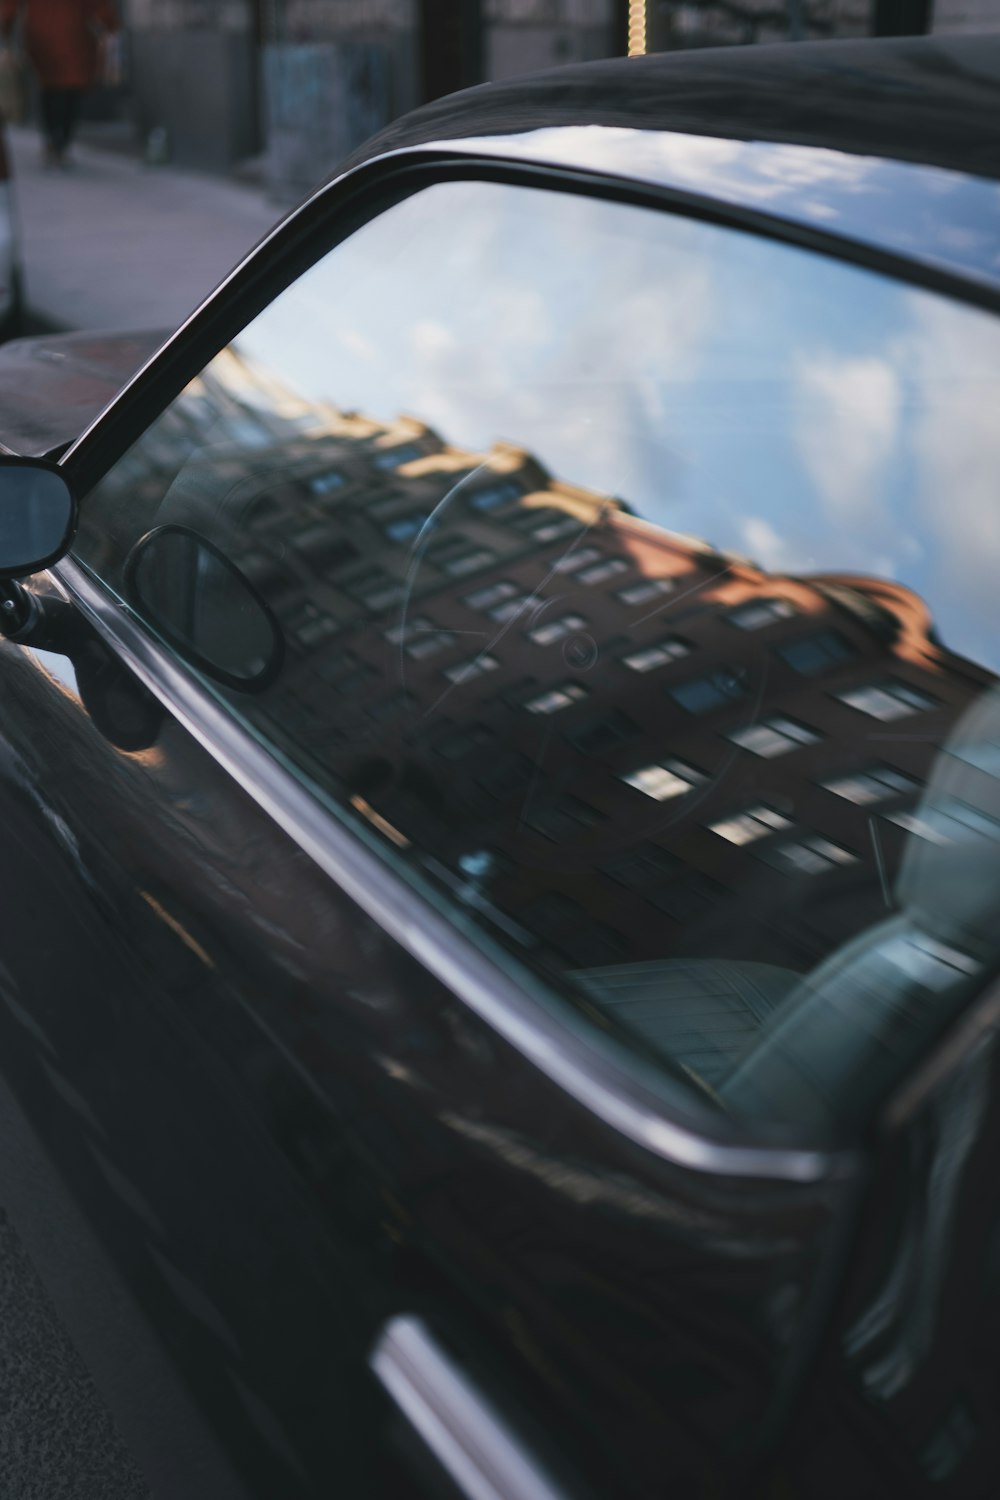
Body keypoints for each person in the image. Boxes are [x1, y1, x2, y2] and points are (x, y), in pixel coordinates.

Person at [0, 0, 119, 167]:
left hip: (41, 36)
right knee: (69, 89)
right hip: (75, 36)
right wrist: (110, 24)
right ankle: (60, 142)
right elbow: (100, 6)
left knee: (49, 87)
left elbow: (10, 7)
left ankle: (53, 140)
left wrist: (7, 27)